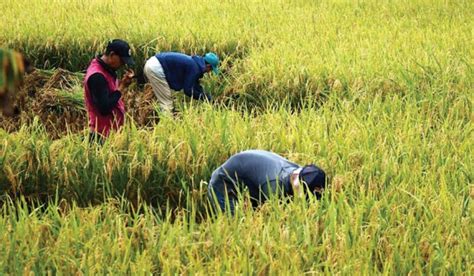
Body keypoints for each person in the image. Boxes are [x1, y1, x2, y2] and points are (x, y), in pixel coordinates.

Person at [208, 150, 326, 214]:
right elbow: (269, 217)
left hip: (251, 179)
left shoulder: (301, 172)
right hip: (223, 183)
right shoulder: (273, 186)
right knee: (238, 223)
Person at [83, 39, 135, 142]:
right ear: (112, 55)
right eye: (122, 61)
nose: (123, 65)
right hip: (101, 136)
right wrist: (122, 87)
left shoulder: (107, 70)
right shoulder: (97, 76)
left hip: (110, 133)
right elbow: (104, 107)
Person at [143, 51, 219, 113]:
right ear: (208, 66)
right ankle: (167, 124)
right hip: (156, 68)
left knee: (165, 97)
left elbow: (194, 84)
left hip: (153, 63)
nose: (209, 72)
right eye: (211, 70)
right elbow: (188, 90)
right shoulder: (195, 68)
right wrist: (204, 98)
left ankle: (164, 117)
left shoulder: (194, 63)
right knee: (166, 102)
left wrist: (205, 96)